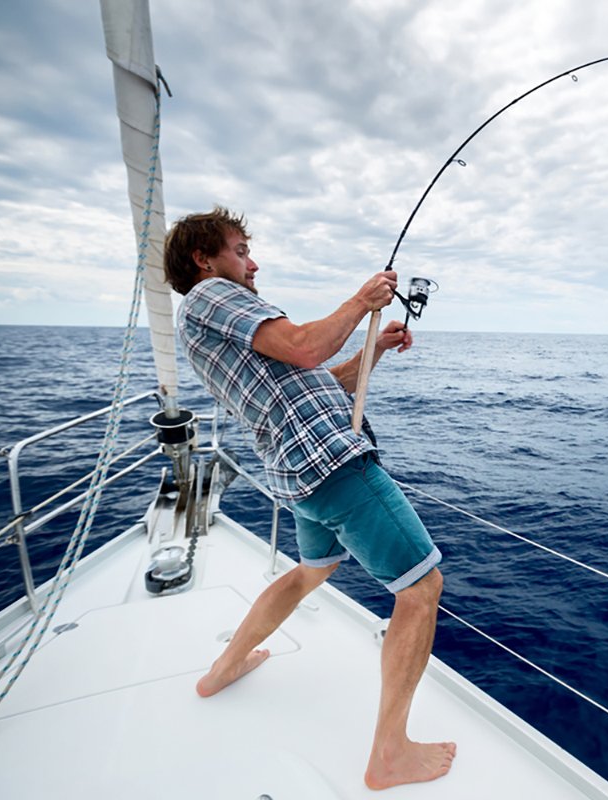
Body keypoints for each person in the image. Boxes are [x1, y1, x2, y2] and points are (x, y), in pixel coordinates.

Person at [163, 206, 455, 790]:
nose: (253, 262)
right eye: (241, 249)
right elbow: (303, 347)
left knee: (309, 573)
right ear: (204, 259)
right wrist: (361, 301)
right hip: (332, 463)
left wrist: (370, 350)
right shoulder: (211, 296)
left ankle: (223, 670)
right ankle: (389, 753)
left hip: (298, 475)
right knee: (421, 588)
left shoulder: (204, 323)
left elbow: (315, 379)